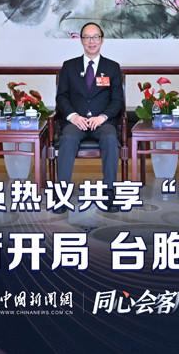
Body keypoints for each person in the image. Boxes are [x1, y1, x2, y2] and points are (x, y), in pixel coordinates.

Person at [55, 22, 124, 213]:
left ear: (102, 40)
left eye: (95, 37)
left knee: (110, 138)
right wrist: (73, 116)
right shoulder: (69, 66)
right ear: (81, 40)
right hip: (76, 122)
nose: (91, 41)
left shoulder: (112, 67)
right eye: (87, 37)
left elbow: (117, 100)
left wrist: (103, 117)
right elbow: (61, 97)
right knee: (68, 138)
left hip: (102, 122)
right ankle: (62, 194)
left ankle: (109, 193)